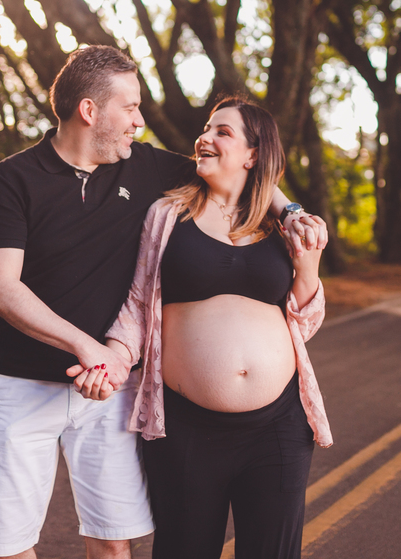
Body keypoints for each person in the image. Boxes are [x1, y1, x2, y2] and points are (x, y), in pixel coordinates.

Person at [0, 46, 325, 559]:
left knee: (115, 543)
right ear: (90, 112)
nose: (140, 121)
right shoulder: (15, 178)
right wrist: (91, 347)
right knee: (8, 546)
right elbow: (1, 289)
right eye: (131, 108)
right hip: (27, 379)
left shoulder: (144, 168)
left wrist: (292, 212)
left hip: (114, 390)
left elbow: (242, 172)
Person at [70, 97, 332, 559]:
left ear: (253, 155)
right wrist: (111, 359)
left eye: (222, 132)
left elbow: (304, 323)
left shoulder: (282, 228)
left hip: (278, 427)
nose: (205, 138)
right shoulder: (168, 215)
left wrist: (307, 268)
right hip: (187, 429)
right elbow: (136, 306)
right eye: (206, 128)